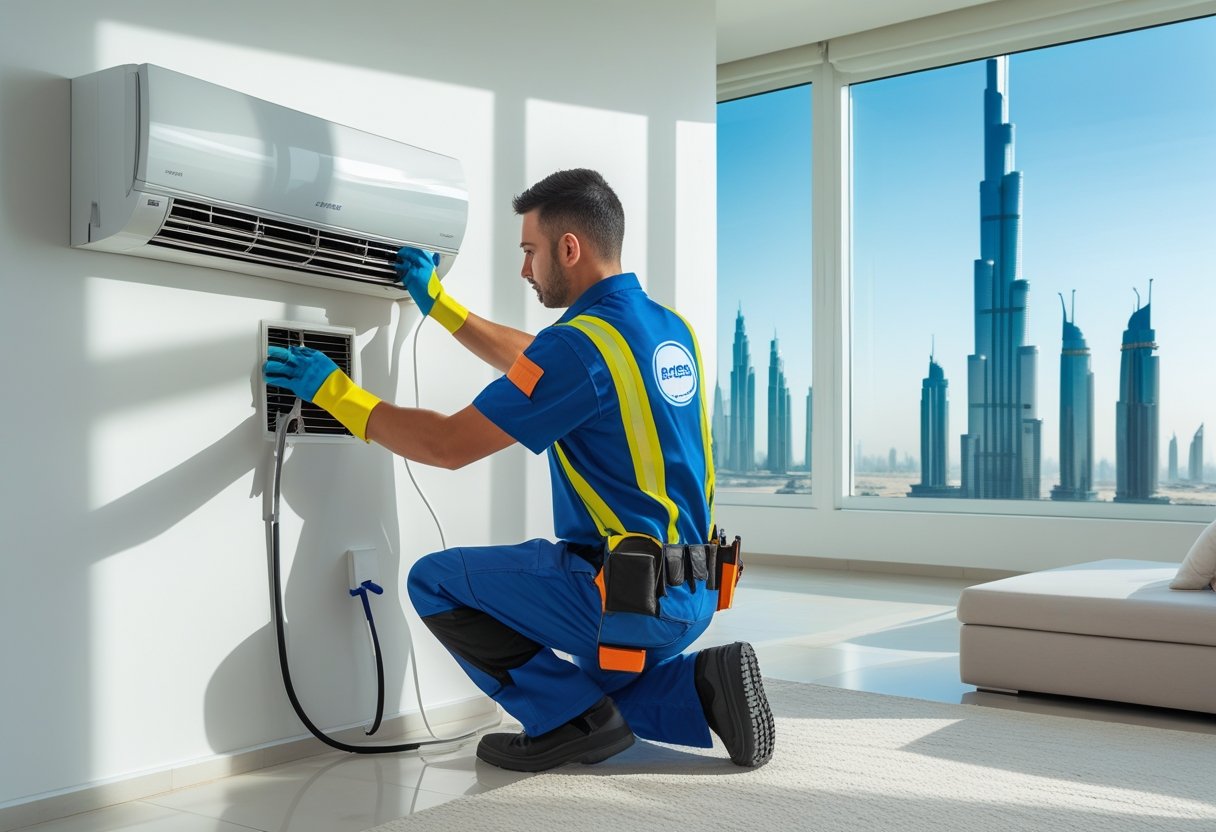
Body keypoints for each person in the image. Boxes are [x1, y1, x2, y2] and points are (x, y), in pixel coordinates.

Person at [263, 168, 774, 772]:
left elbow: (449, 444)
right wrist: (442, 307)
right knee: (600, 688)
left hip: (625, 599)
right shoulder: (666, 329)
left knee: (435, 581)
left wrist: (338, 393)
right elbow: (540, 361)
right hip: (694, 595)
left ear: (569, 248)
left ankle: (570, 722)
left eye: (529, 251)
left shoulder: (579, 348)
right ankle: (705, 685)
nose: (525, 269)